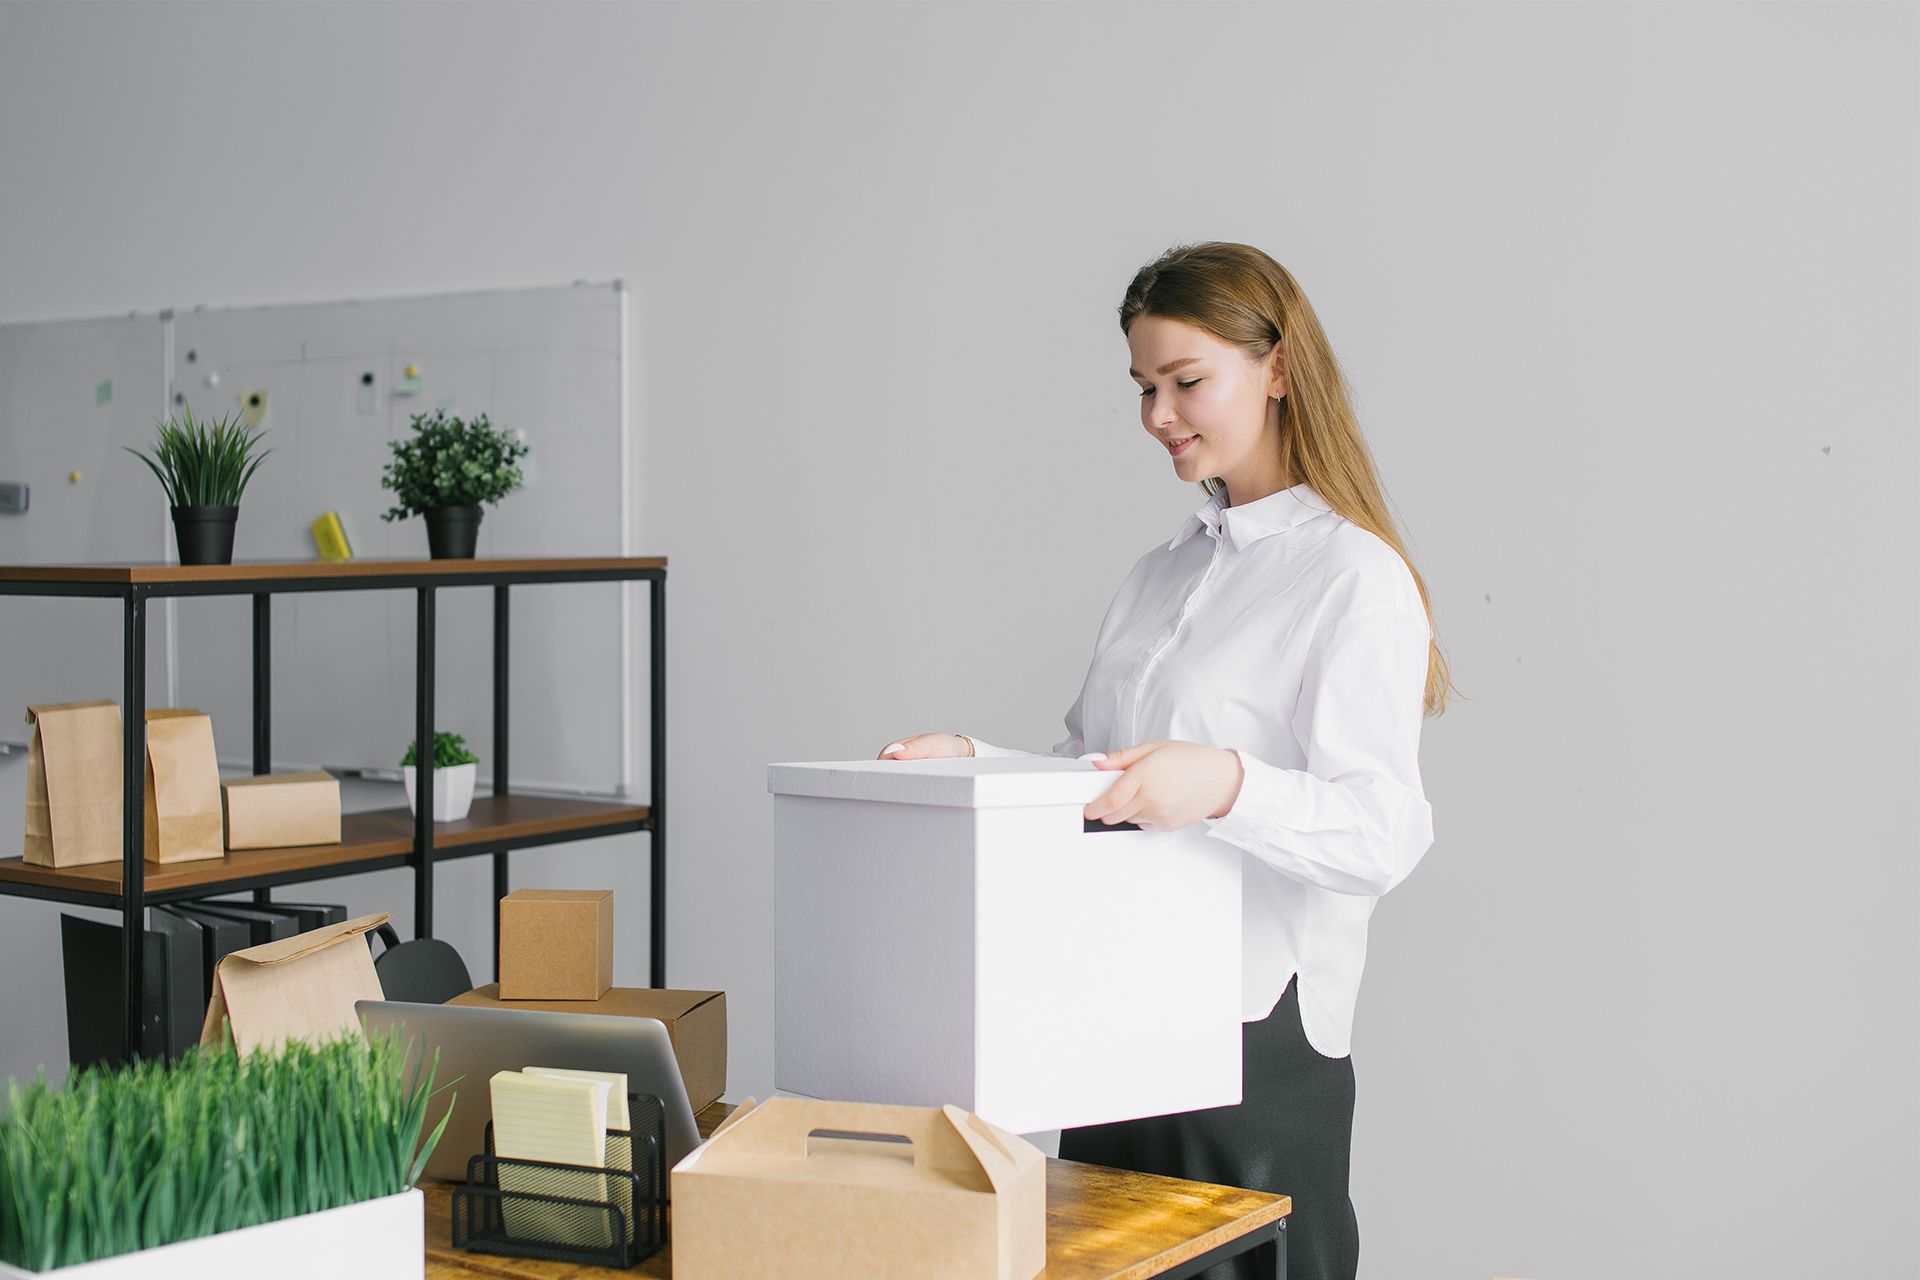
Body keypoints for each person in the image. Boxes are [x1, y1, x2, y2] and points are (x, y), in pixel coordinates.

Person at [876, 241, 1451, 1280]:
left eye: (1187, 381)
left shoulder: (1352, 575)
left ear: (1277, 367)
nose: (1158, 414)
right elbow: (1105, 776)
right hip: (1109, 1018)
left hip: (1249, 1038)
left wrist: (1224, 783)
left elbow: (1382, 828)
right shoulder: (1160, 574)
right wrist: (978, 761)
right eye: (1145, 387)